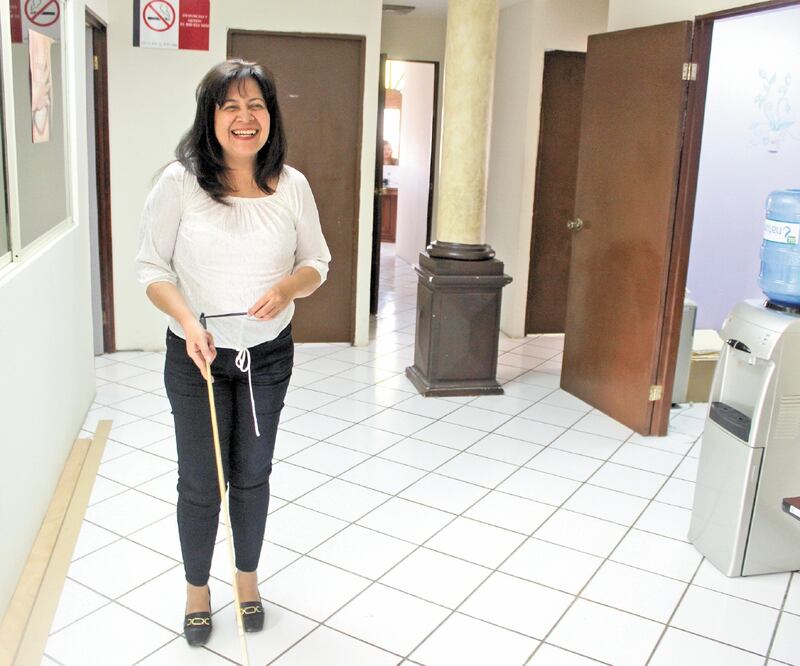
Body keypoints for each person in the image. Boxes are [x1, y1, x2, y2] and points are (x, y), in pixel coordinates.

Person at [135, 59, 330, 647]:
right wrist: (188, 319)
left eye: (257, 106)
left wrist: (287, 288)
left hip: (266, 358)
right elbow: (151, 268)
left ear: (270, 115)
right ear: (211, 117)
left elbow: (317, 262)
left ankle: (246, 579)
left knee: (253, 476)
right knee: (200, 482)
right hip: (196, 356)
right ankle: (198, 589)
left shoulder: (292, 185)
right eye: (231, 107)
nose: (245, 119)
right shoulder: (179, 182)